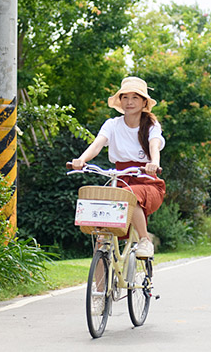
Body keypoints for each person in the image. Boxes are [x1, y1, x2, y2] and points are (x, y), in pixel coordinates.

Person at [71, 76, 166, 259]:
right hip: (120, 179)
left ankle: (145, 240)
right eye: (125, 97)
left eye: (135, 97)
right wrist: (81, 160)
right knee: (102, 234)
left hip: (147, 181)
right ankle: (98, 287)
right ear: (120, 101)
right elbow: (97, 144)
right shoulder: (112, 124)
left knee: (130, 196)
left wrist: (154, 163)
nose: (129, 102)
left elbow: (154, 146)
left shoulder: (151, 125)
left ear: (144, 101)